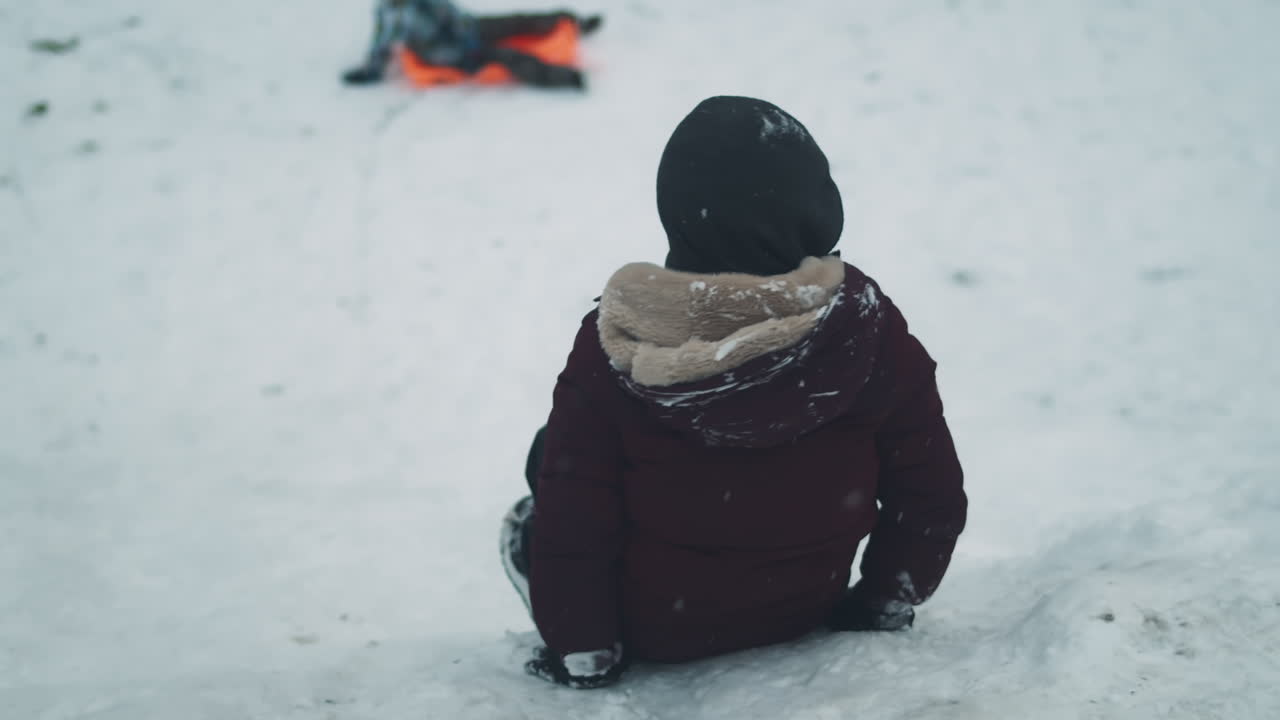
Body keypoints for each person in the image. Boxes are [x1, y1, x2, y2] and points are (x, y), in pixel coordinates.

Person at [500, 96, 969, 689]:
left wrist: (582, 650)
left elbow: (575, 524)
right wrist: (882, 602)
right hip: (805, 606)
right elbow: (930, 495)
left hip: (659, 629)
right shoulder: (866, 327)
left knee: (554, 464)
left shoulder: (617, 346)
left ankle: (553, 584)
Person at [341, 0, 602, 88]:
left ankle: (574, 23)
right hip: (451, 52)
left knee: (517, 21)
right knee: (506, 56)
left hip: (468, 28)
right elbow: (380, 46)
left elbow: (451, 16)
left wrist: (469, 32)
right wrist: (369, 72)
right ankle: (568, 78)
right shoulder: (392, 15)